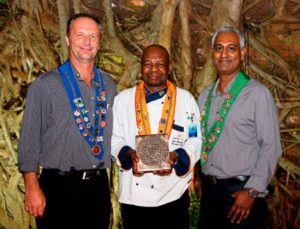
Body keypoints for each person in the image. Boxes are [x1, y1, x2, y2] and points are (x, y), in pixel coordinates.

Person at [18, 13, 116, 229]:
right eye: (80, 35)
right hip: (58, 187)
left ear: (100, 42)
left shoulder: (108, 85)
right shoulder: (45, 85)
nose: (87, 42)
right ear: (68, 39)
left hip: (97, 186)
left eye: (93, 36)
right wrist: (32, 185)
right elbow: (30, 138)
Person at [197, 26, 282, 229]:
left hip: (241, 195)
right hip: (210, 194)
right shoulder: (204, 96)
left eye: (231, 48)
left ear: (243, 53)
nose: (224, 54)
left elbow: (271, 147)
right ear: (212, 53)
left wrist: (251, 192)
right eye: (219, 48)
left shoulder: (258, 95)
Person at [111, 44, 202, 229]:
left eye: (160, 64)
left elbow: (195, 139)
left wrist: (176, 156)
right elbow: (113, 138)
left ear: (169, 69)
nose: (153, 69)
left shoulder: (186, 100)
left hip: (173, 195)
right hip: (134, 199)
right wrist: (129, 154)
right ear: (141, 68)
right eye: (148, 64)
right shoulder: (123, 100)